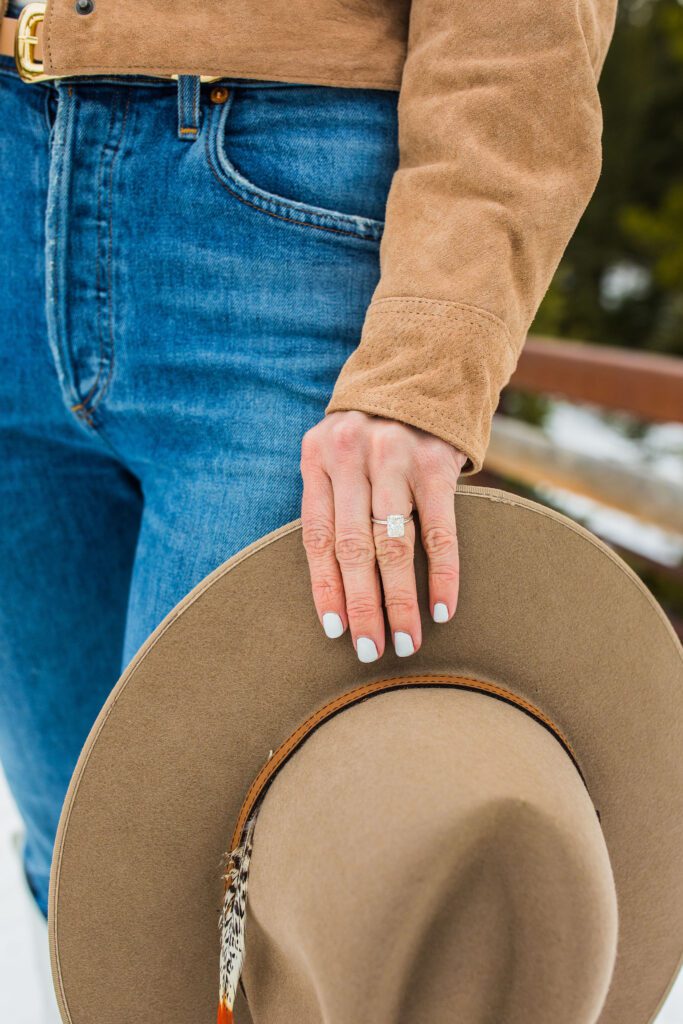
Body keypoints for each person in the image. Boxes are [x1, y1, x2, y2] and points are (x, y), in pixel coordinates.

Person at [0, 0, 617, 954]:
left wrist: (426, 362)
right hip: (12, 165)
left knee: (219, 908)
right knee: (80, 877)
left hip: (276, 204)